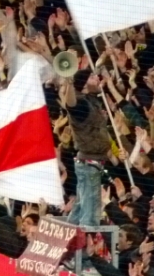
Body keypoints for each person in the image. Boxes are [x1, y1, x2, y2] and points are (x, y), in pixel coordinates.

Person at [58, 69, 111, 227]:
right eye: (92, 76)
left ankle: (69, 236)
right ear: (84, 84)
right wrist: (69, 83)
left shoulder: (91, 100)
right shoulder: (81, 103)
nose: (97, 78)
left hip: (89, 163)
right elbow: (71, 105)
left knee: (80, 209)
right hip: (89, 164)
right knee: (90, 213)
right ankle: (86, 241)